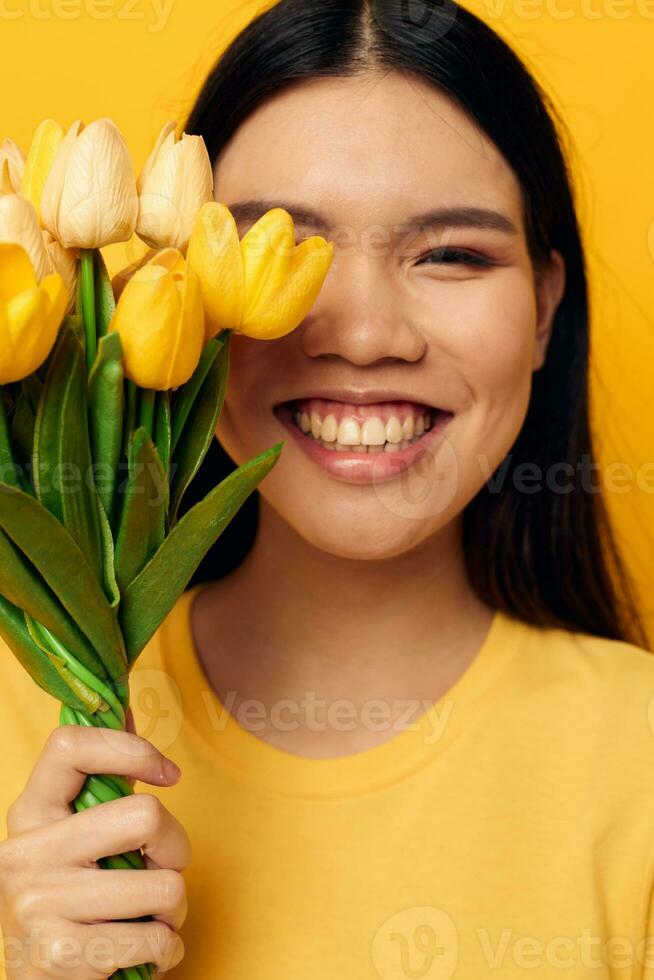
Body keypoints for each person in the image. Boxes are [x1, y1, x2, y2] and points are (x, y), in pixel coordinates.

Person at [2, 0, 654, 977]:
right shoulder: (19, 715)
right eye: (276, 243)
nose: (361, 334)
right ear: (173, 281)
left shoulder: (634, 755)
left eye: (451, 254)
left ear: (546, 310)